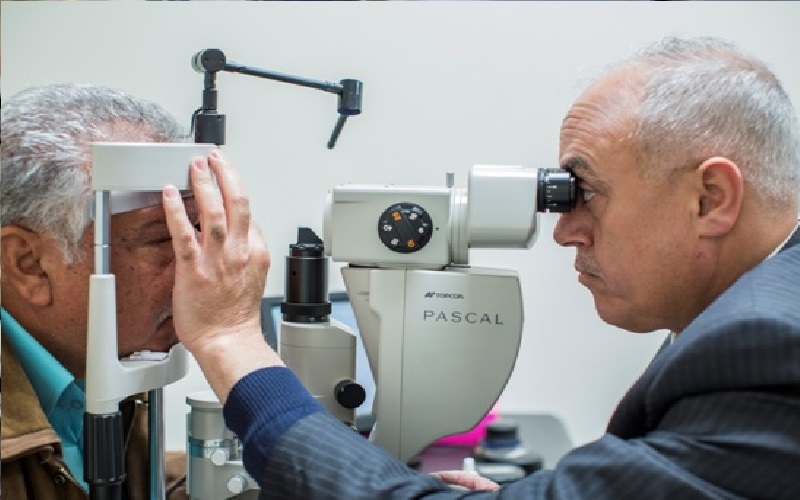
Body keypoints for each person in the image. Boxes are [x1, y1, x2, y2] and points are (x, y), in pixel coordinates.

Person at [162, 35, 800, 498]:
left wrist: (232, 340)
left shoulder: (766, 348)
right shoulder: (762, 312)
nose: (565, 232)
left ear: (709, 199)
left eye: (585, 193)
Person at [1, 84, 193, 499]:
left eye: (194, 233)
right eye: (163, 240)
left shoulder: (105, 363)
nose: (200, 273)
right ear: (30, 265)